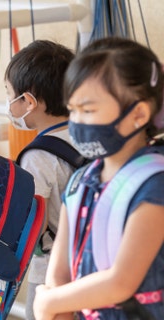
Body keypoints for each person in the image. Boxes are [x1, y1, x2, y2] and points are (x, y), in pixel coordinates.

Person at [33, 37, 164, 319]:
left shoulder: (156, 186)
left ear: (138, 113)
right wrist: (56, 302)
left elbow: (121, 282)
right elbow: (60, 276)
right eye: (73, 109)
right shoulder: (80, 180)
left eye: (89, 110)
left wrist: (49, 303)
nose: (77, 121)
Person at [3, 40, 75, 320]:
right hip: (98, 261)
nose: (8, 104)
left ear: (29, 102)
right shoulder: (91, 136)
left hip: (52, 272)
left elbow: (34, 223)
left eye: (9, 95)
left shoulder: (38, 156)